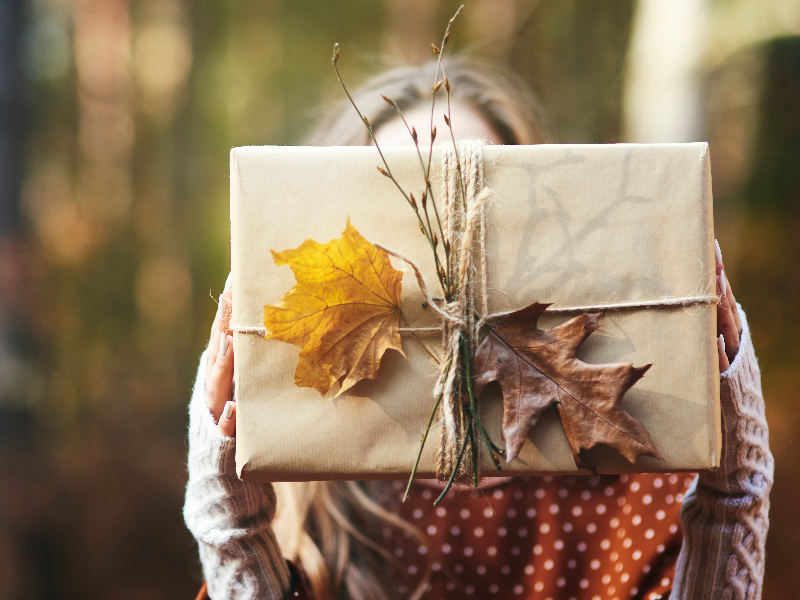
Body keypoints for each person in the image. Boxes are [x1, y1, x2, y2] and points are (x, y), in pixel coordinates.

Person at [184, 58, 773, 600]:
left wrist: (732, 496)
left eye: (474, 207)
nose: (443, 255)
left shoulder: (630, 463)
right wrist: (233, 527)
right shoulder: (312, 505)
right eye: (401, 203)